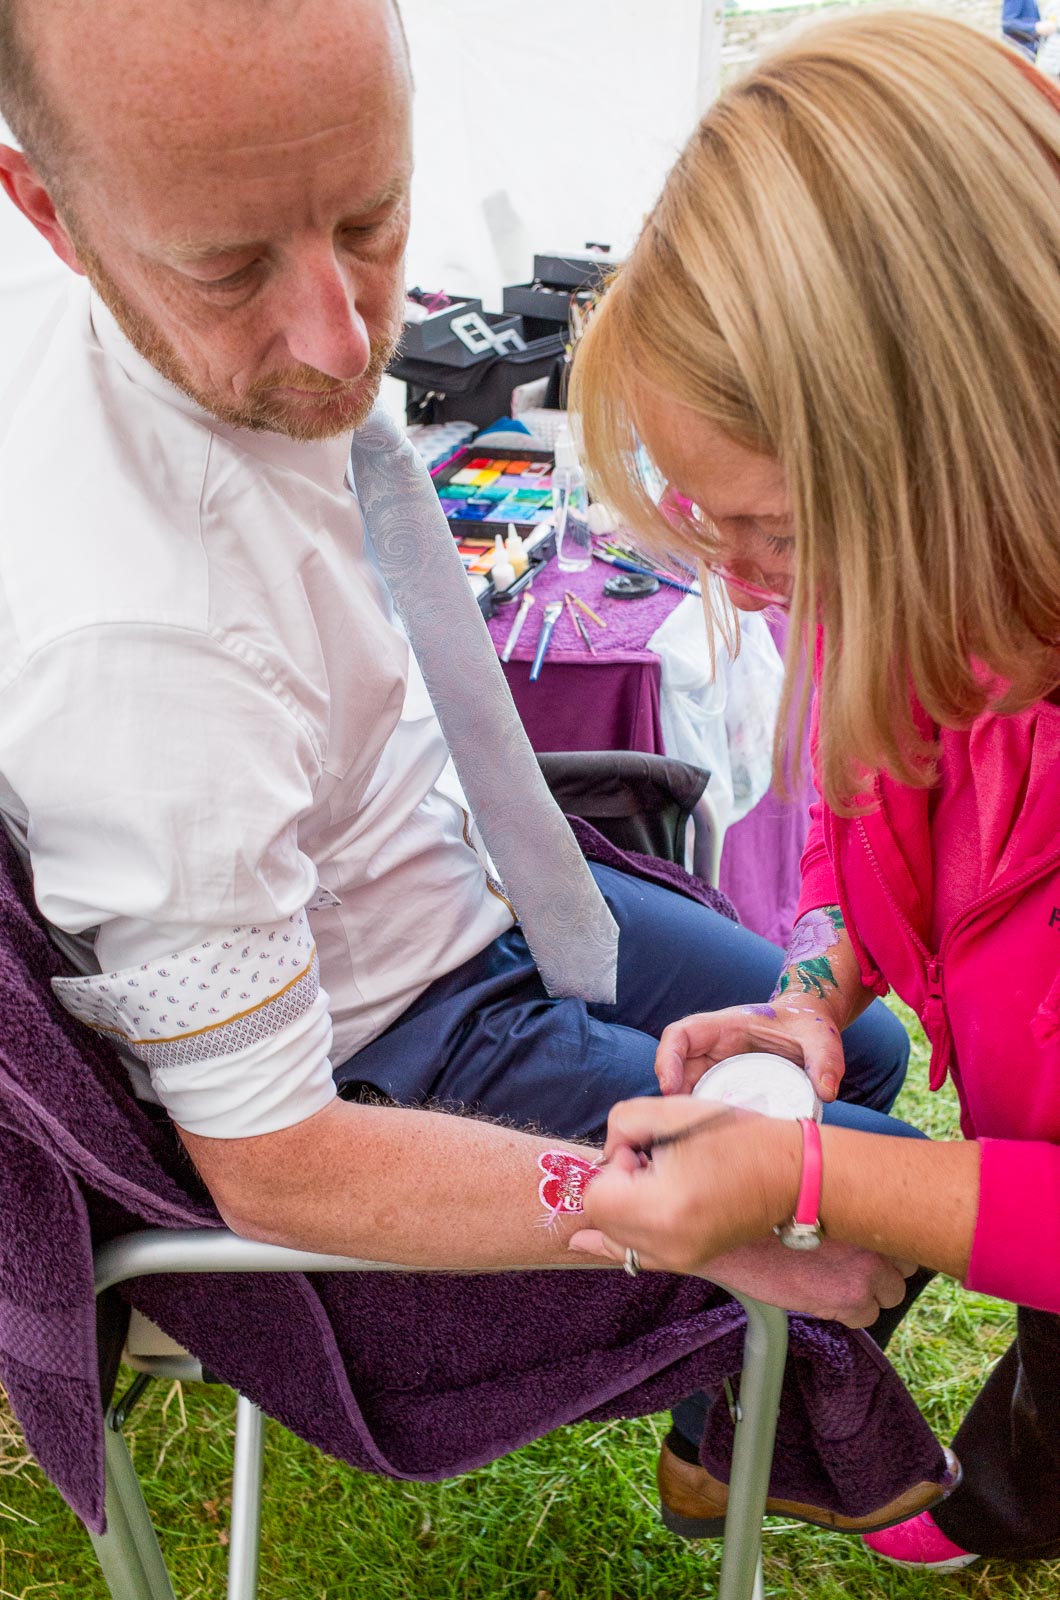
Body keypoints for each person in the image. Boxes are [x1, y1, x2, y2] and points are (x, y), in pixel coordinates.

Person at [0, 0, 927, 1534]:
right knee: (878, 1174)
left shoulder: (175, 309)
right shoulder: (134, 650)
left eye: (368, 217)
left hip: (478, 893)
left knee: (857, 1053)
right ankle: (761, 1429)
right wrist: (661, 1220)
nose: (346, 337)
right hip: (390, 1044)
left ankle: (721, 1438)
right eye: (230, 266)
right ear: (48, 208)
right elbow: (277, 1164)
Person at [570, 7, 1060, 1571]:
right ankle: (1004, 1495)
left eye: (775, 529)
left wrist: (812, 1168)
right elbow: (869, 826)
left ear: (970, 432)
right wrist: (807, 998)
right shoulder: (934, 584)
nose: (753, 588)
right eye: (710, 526)